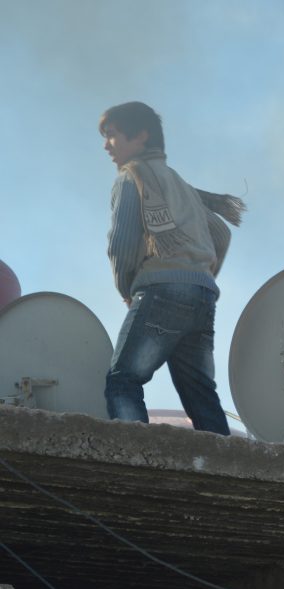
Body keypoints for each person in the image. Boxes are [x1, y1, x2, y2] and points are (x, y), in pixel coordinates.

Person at [100, 101, 244, 434]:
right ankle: (222, 465)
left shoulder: (131, 177)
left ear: (141, 136)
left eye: (112, 135)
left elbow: (121, 241)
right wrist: (198, 274)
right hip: (202, 294)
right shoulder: (180, 185)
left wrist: (126, 288)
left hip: (161, 289)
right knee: (200, 393)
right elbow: (220, 234)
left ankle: (135, 457)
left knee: (123, 380)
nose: (106, 145)